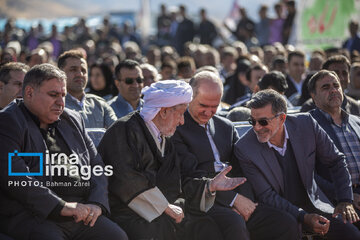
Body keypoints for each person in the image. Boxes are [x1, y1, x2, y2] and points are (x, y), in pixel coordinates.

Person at [98, 80, 246, 240]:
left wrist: (210, 186)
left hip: (167, 210)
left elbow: (180, 179)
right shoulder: (124, 130)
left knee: (205, 227)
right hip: (130, 212)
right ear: (163, 112)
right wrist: (164, 207)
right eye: (181, 114)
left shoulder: (165, 136)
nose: (182, 121)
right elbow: (125, 180)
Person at [0, 63, 127, 240]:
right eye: (53, 95)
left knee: (116, 236)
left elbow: (96, 165)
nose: (61, 102)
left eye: (63, 95)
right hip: (33, 215)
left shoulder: (72, 119)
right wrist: (62, 207)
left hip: (81, 212)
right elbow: (16, 177)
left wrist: (97, 204)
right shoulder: (8, 121)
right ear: (29, 93)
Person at [172, 71, 298, 240]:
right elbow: (190, 175)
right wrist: (232, 200)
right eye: (203, 105)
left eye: (214, 106)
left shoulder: (226, 127)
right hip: (203, 201)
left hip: (239, 197)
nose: (208, 112)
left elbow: (243, 168)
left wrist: (244, 200)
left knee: (285, 222)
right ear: (189, 97)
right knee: (233, 223)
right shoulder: (177, 128)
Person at [235, 89, 360, 239]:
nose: (256, 127)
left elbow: (336, 160)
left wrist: (345, 200)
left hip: (315, 204)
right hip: (279, 215)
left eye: (263, 122)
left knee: (351, 234)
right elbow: (266, 196)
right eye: (252, 121)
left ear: (282, 118)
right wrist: (304, 217)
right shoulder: (244, 148)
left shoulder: (306, 124)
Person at [308, 70, 360, 218]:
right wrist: (347, 196)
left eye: (336, 85)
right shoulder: (308, 125)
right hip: (334, 201)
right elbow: (309, 174)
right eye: (325, 87)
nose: (333, 90)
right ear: (313, 96)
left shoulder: (357, 122)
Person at [58, 50, 117, 128]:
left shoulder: (99, 104)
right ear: (60, 73)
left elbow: (118, 132)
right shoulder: (57, 105)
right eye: (73, 70)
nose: (80, 74)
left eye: (83, 70)